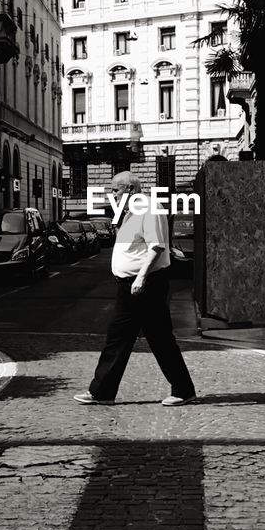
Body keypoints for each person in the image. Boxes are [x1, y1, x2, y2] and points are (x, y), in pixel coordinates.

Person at [74, 171, 197, 406]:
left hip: (144, 284)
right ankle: (181, 389)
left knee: (129, 338)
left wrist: (140, 277)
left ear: (130, 189)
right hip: (133, 285)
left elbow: (157, 246)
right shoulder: (130, 212)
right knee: (145, 338)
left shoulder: (149, 208)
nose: (113, 195)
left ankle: (102, 392)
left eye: (115, 190)